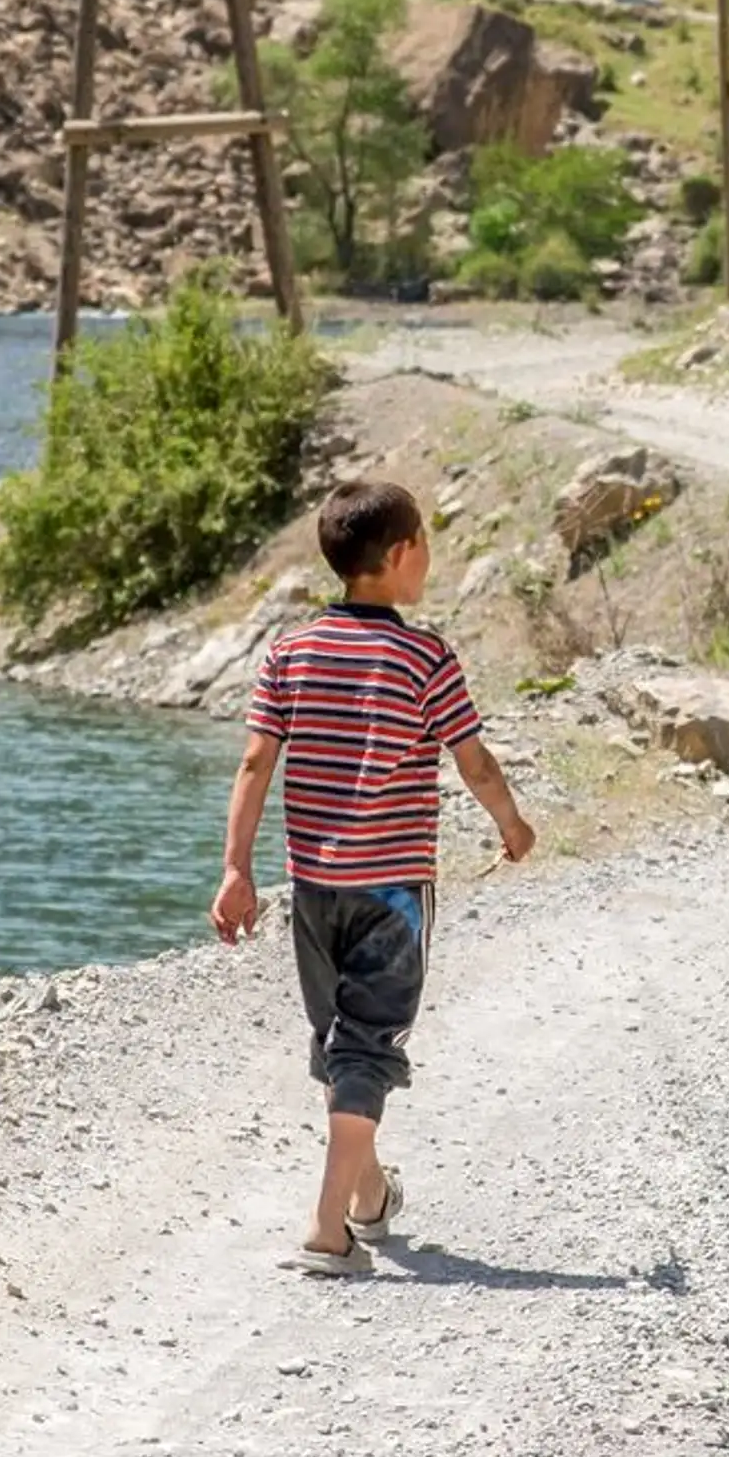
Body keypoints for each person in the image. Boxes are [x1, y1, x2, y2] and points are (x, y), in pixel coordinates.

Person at [210, 478, 536, 1273]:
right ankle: (330, 1232)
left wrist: (234, 870)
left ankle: (369, 1195)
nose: (429, 553)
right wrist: (513, 824)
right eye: (423, 540)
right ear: (397, 557)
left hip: (313, 889)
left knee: (342, 1042)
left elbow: (256, 761)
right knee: (366, 1047)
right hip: (393, 893)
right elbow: (475, 761)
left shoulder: (290, 652)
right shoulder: (426, 657)